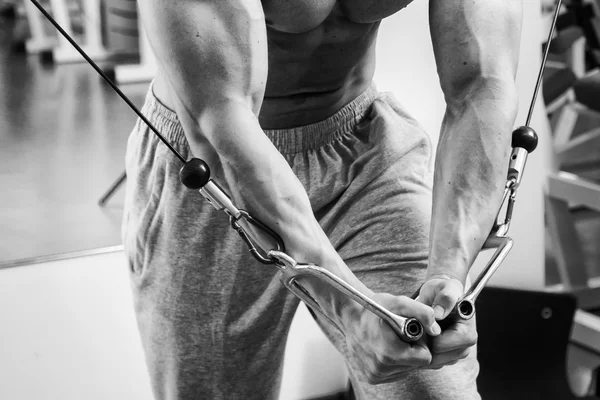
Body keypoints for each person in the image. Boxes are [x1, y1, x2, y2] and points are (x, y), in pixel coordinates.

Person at [122, 1, 522, 399]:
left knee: (431, 383)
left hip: (362, 150)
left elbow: (482, 87)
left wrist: (449, 274)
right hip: (214, 169)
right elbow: (221, 122)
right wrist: (350, 309)